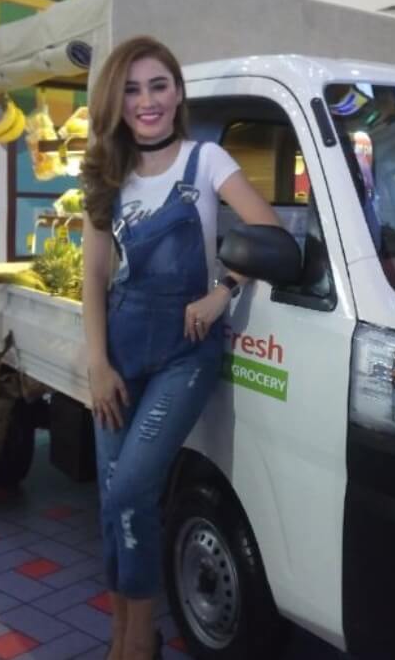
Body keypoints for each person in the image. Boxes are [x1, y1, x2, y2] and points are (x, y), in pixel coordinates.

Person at [80, 36, 280, 660]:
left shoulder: (207, 160)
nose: (147, 101)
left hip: (185, 353)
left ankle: (140, 642)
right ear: (116, 101)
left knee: (132, 488)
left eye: (158, 85)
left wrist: (224, 289)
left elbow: (269, 232)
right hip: (119, 349)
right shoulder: (105, 173)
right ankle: (121, 634)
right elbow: (93, 276)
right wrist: (98, 363)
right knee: (112, 498)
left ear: (177, 93)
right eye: (132, 89)